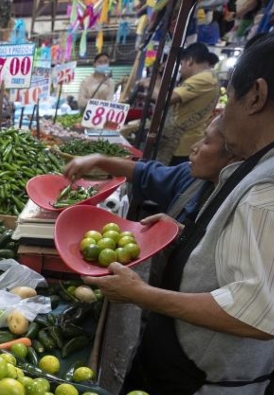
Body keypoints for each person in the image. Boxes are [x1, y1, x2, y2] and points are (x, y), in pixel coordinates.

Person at [85, 19, 274, 394]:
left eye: (229, 97)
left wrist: (140, 294)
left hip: (200, 379)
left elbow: (255, 312)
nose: (223, 111)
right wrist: (192, 237)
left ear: (256, 96)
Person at [65, 115, 239, 288]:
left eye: (206, 141)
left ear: (233, 156)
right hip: (162, 283)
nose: (194, 147)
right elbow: (144, 173)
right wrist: (99, 160)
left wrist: (185, 236)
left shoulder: (241, 206)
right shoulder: (192, 177)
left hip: (190, 302)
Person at [140, 42, 220, 165]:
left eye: (181, 64)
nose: (180, 69)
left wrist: (150, 83)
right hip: (182, 143)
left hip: (182, 145)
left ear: (190, 61)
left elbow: (165, 98)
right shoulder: (208, 77)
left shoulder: (204, 78)